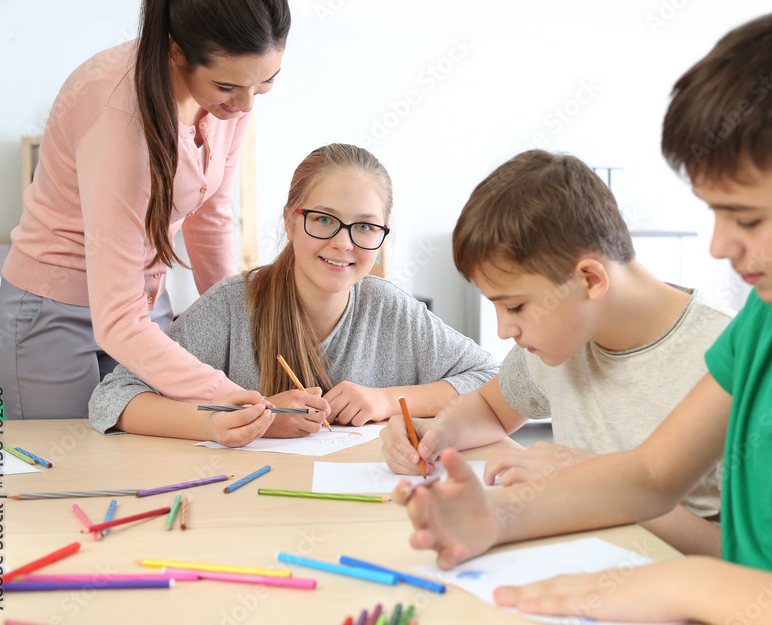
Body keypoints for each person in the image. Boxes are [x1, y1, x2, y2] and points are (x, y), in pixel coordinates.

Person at [392, 9, 772, 624]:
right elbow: (650, 476)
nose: (718, 245)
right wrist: (497, 517)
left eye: (746, 218)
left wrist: (693, 585)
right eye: (714, 212)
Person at [381, 149, 733, 554]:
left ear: (590, 280)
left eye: (515, 306)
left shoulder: (728, 357)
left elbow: (745, 556)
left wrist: (594, 484)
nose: (503, 329)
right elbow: (492, 408)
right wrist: (439, 432)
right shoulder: (563, 338)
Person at [0, 0, 290, 419]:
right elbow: (116, 319)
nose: (247, 103)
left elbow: (210, 215)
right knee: (68, 456)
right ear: (176, 50)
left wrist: (240, 329)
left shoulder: (232, 98)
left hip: (140, 306)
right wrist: (221, 392)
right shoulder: (119, 111)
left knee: (153, 455)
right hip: (55, 309)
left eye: (266, 82)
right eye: (228, 86)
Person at [90, 144, 498, 447]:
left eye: (365, 227)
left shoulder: (390, 308)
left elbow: (492, 380)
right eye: (323, 219)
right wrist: (216, 423)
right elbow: (112, 398)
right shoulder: (234, 304)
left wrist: (387, 401)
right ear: (290, 220)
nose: (344, 244)